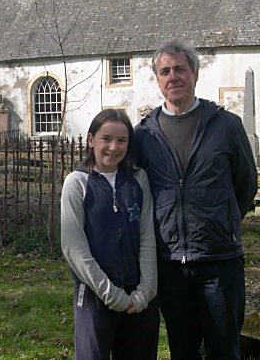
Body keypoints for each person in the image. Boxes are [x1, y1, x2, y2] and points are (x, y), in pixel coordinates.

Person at [134, 39, 257, 360]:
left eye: (179, 69)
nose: (173, 76)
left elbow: (246, 185)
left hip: (220, 262)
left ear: (195, 73)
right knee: (182, 350)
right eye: (165, 71)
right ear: (158, 80)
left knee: (225, 351)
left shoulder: (226, 125)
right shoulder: (144, 135)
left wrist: (221, 222)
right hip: (170, 265)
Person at [61, 108, 159, 360]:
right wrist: (112, 295)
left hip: (139, 299)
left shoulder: (139, 180)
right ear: (91, 139)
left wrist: (145, 292)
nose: (113, 147)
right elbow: (74, 248)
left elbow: (147, 238)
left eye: (122, 140)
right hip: (95, 298)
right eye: (106, 139)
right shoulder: (77, 182)